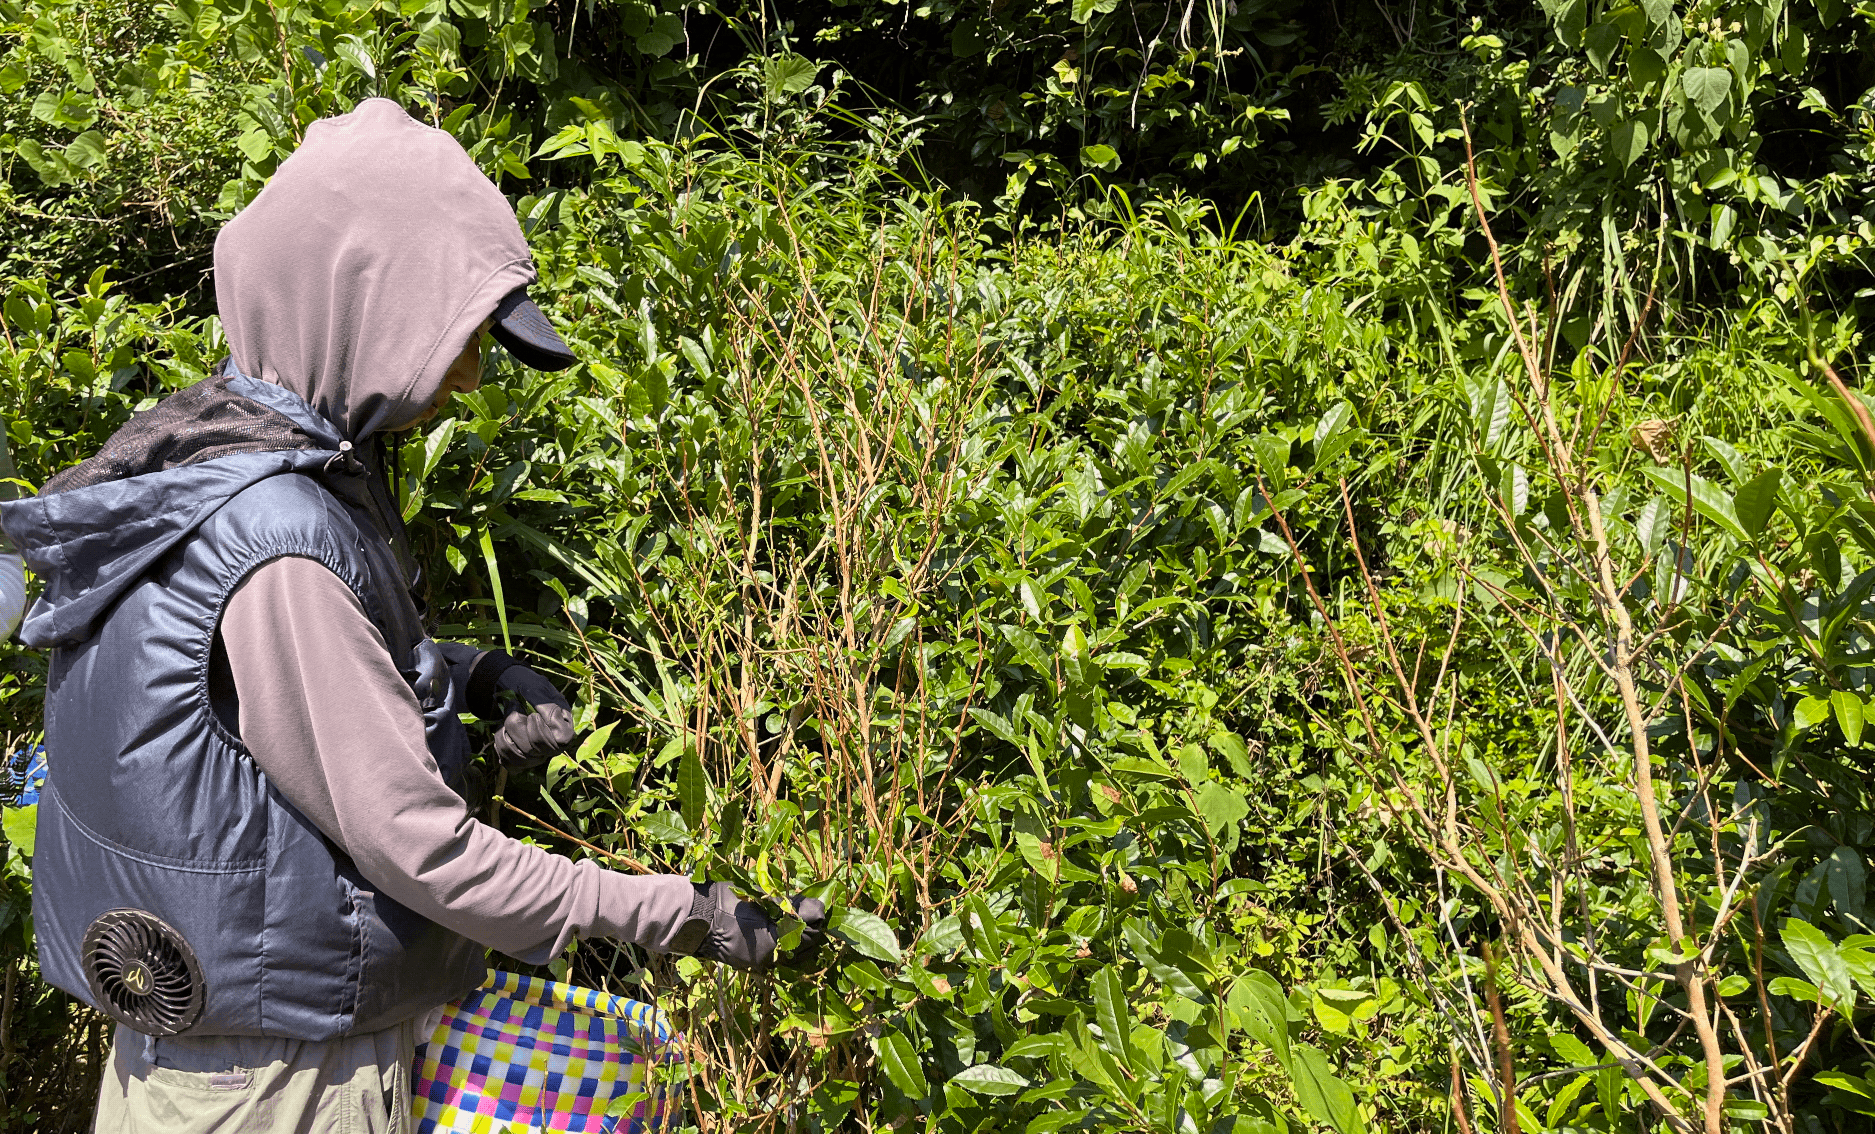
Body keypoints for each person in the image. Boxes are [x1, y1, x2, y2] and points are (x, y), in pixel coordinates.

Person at [0, 98, 820, 1133]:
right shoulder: (280, 533)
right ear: (359, 305)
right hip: (280, 1087)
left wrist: (476, 674)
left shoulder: (213, 461)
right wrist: (681, 915)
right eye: (461, 336)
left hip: (218, 1059)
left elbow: (261, 696)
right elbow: (415, 846)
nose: (470, 375)